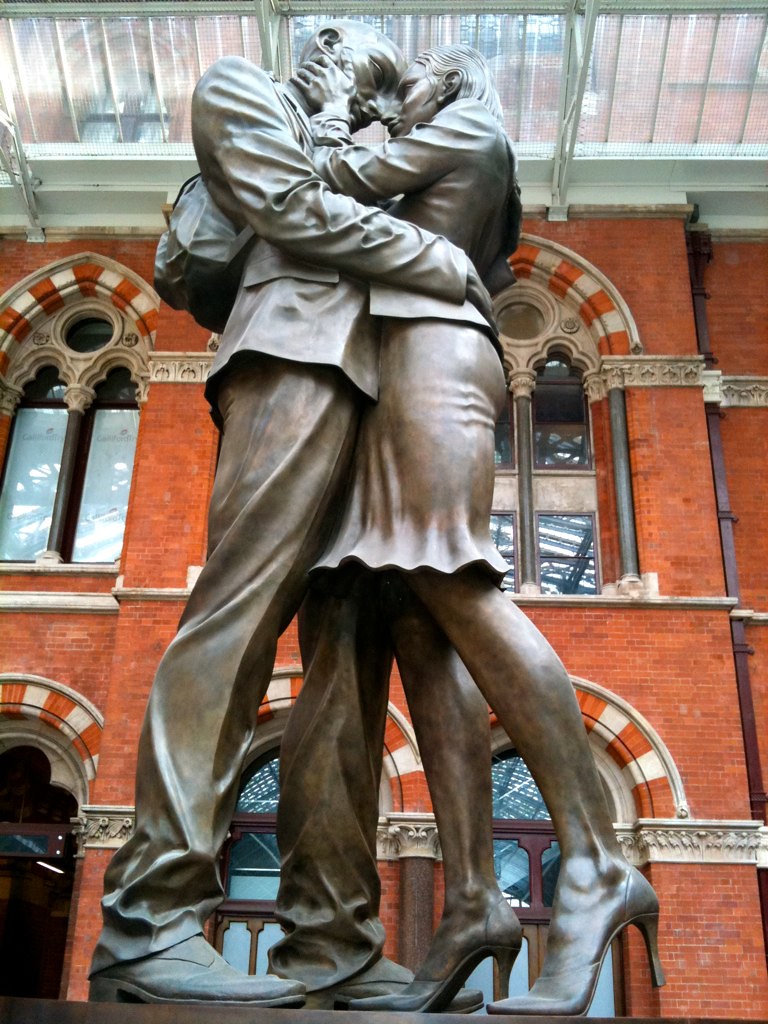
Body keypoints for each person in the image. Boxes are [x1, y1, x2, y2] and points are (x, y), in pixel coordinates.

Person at [88, 21, 494, 1007]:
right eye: (362, 60)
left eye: (370, 59)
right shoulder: (245, 90)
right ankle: (150, 917)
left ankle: (333, 941)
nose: (336, 54)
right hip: (292, 358)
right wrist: (436, 265)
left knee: (349, 665)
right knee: (237, 615)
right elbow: (292, 209)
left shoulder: (380, 145)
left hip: (378, 385)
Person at [288, 44, 664, 1016]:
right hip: (404, 363)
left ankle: (590, 863)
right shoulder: (445, 138)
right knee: (418, 611)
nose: (395, 96)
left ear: (450, 83)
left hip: (432, 362)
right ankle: (470, 899)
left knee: (455, 580)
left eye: (409, 83)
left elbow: (325, 185)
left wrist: (335, 104)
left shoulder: (466, 127)